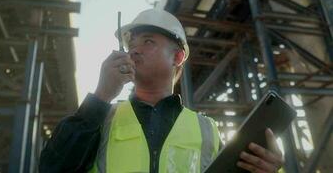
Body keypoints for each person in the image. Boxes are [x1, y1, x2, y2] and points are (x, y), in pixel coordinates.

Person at [39, 9, 284, 173]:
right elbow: (52, 168)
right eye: (131, 44)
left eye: (147, 41)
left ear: (177, 56)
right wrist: (101, 96)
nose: (134, 50)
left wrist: (268, 168)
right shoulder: (100, 116)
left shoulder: (206, 129)